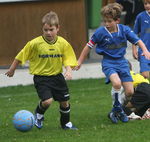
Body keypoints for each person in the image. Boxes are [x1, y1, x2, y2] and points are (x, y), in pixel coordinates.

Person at [74, 3, 150, 124]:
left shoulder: (124, 30)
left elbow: (138, 40)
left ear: (117, 20)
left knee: (130, 92)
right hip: (109, 63)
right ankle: (117, 108)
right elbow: (88, 47)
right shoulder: (100, 33)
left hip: (123, 63)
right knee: (117, 83)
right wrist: (79, 61)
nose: (106, 24)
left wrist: (145, 50)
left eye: (109, 21)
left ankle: (118, 109)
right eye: (105, 21)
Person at [5, 11, 78, 130]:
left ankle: (65, 124)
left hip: (57, 77)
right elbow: (20, 56)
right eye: (45, 30)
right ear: (42, 29)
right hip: (41, 78)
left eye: (51, 29)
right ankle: (39, 114)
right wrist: (12, 69)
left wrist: (69, 70)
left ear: (58, 28)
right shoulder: (35, 43)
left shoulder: (63, 43)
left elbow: (67, 58)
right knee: (47, 101)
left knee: (64, 102)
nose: (48, 32)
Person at [132, 0, 150, 79]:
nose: (147, 5)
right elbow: (134, 34)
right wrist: (134, 48)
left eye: (149, 3)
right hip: (144, 52)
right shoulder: (140, 16)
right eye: (145, 4)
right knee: (145, 75)